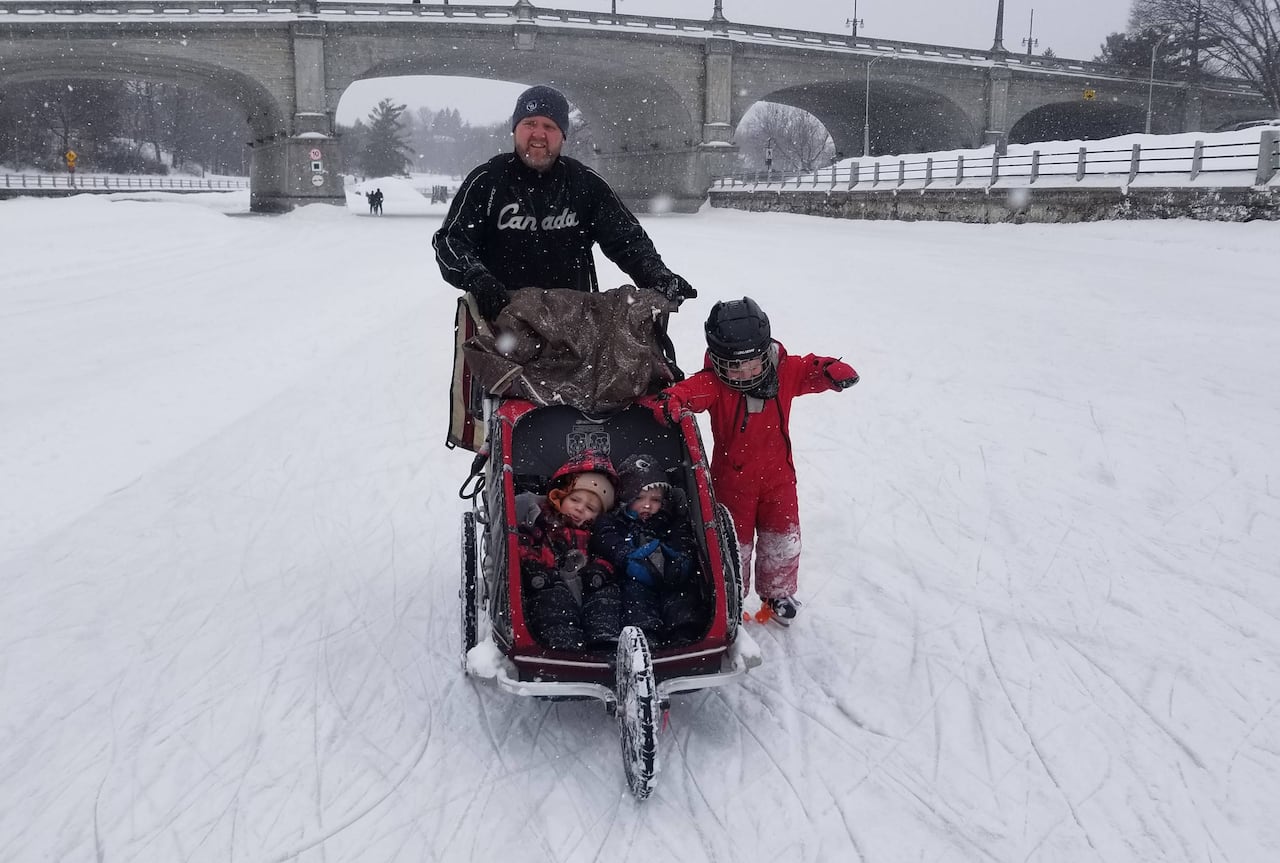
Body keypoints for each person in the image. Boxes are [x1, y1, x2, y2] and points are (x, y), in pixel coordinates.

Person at [644, 298, 859, 625]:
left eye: (753, 364)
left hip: (779, 479)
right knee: (734, 544)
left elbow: (809, 369)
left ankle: (778, 591)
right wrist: (671, 399)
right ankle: (731, 595)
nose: (744, 373)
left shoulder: (784, 371)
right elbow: (689, 392)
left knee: (783, 537)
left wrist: (829, 371)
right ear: (718, 361)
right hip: (733, 483)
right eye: (734, 366)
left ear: (765, 353)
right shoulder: (714, 383)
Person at [432, 84, 696, 321]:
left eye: (549, 126)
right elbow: (450, 241)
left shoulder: (584, 183)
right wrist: (477, 278)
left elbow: (628, 241)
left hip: (572, 326)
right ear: (515, 130)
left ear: (563, 135)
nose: (539, 134)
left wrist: (657, 275)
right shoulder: (486, 180)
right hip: (500, 323)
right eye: (530, 124)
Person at [591, 453, 705, 644]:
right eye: (640, 497)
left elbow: (682, 537)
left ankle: (683, 633)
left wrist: (680, 559)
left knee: (681, 594)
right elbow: (606, 539)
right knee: (636, 597)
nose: (647, 505)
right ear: (625, 498)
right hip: (632, 577)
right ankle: (646, 635)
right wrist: (626, 557)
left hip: (667, 574)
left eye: (655, 500)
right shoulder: (614, 520)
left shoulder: (668, 519)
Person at [518, 450, 619, 650]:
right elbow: (523, 542)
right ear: (561, 497)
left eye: (590, 508)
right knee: (554, 602)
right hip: (548, 581)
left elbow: (606, 556)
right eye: (574, 500)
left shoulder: (597, 535)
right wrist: (532, 564)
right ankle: (564, 641)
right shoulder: (542, 521)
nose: (580, 509)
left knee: (606, 597)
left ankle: (603, 638)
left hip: (586, 583)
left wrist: (600, 569)